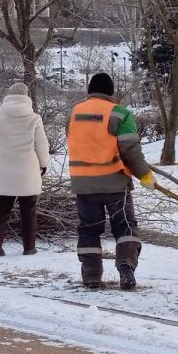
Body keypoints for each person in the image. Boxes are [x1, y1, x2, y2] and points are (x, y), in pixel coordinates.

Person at [67, 73, 155, 290]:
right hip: (114, 182)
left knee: (89, 230)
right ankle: (125, 265)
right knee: (125, 226)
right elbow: (130, 149)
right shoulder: (120, 114)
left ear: (90, 90)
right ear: (111, 92)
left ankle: (91, 277)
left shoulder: (74, 113)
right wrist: (144, 174)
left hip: (83, 183)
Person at [0, 82, 50, 257]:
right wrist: (43, 163)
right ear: (26, 96)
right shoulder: (34, 117)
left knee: (2, 208)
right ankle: (29, 248)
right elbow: (41, 144)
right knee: (28, 209)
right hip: (27, 170)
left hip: (3, 168)